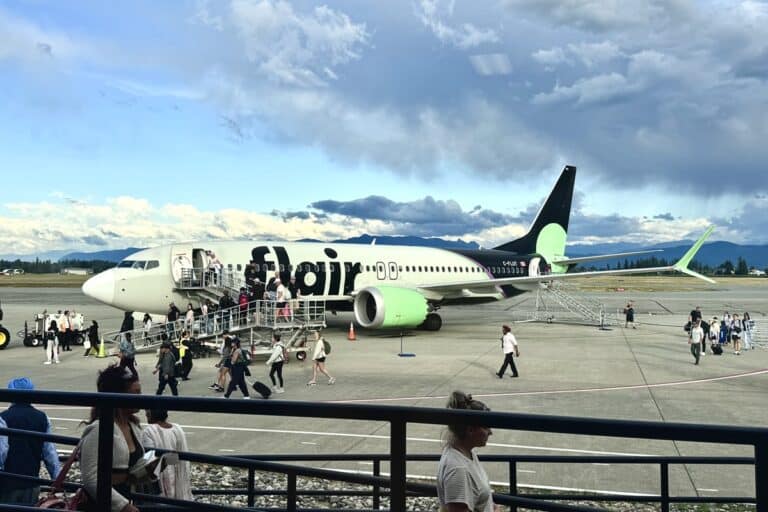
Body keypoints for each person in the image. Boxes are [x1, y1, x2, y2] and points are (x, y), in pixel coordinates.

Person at [80, 364, 154, 512]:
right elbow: (90, 478)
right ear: (119, 395)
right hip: (101, 504)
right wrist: (123, 506)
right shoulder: (98, 429)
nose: (141, 397)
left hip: (124, 498)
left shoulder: (133, 426)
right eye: (136, 393)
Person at [0, 377, 61, 506]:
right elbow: (49, 453)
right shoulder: (42, 417)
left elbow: (2, 451)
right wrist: (57, 479)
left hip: (8, 482)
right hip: (31, 481)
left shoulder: (4, 418)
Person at [436, 391, 499, 512]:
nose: (490, 432)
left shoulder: (465, 453)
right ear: (470, 430)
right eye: (486, 427)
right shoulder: (458, 469)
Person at [141, 409, 193, 501]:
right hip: (180, 478)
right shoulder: (177, 428)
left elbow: (149, 462)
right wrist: (173, 458)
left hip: (161, 481)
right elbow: (179, 454)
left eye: (147, 409)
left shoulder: (149, 431)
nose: (145, 412)